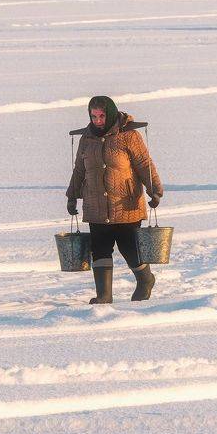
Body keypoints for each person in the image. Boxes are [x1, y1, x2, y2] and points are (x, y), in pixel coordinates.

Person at [66, 95, 164, 304]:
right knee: (99, 248)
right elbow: (79, 170)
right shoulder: (86, 138)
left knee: (129, 248)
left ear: (110, 114)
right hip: (96, 205)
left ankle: (146, 280)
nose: (98, 121)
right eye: (94, 116)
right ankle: (104, 295)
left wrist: (155, 191)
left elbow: (144, 164)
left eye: (102, 116)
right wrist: (72, 196)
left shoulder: (128, 136)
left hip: (125, 204)